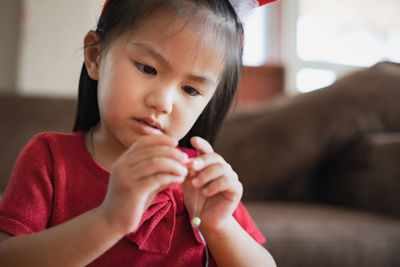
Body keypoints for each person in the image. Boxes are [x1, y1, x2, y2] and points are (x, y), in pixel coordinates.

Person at [0, 0, 277, 266]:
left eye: (190, 90)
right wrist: (109, 220)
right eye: (148, 68)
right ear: (95, 56)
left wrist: (218, 226)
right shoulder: (49, 158)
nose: (163, 102)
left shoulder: (201, 180)